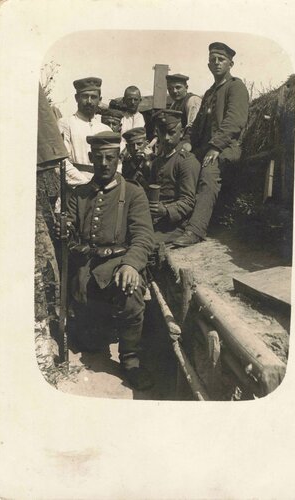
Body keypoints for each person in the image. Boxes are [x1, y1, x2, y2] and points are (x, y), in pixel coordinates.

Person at [66, 131, 155, 390]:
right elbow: (71, 232)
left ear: (119, 158)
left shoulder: (134, 193)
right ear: (91, 157)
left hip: (118, 265)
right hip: (86, 267)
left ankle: (130, 359)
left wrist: (130, 264)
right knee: (89, 344)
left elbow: (143, 236)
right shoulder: (80, 194)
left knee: (131, 289)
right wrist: (65, 229)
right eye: (99, 158)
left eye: (110, 157)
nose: (104, 163)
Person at [173, 42, 249, 247]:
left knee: (209, 172)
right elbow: (196, 125)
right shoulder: (208, 93)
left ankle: (195, 230)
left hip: (227, 147)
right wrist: (187, 143)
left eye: (221, 59)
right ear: (208, 64)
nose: (216, 63)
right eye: (213, 59)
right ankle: (176, 219)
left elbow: (235, 121)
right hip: (206, 148)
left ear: (230, 63)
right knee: (181, 163)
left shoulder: (236, 87)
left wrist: (216, 146)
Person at [149, 109, 201, 244]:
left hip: (175, 225)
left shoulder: (186, 161)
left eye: (171, 133)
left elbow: (188, 201)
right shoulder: (157, 162)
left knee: (144, 243)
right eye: (162, 132)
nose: (166, 137)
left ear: (182, 132)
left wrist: (166, 210)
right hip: (156, 220)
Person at [58, 77, 112, 186]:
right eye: (85, 96)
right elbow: (61, 162)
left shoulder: (106, 129)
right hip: (76, 187)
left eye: (93, 97)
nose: (89, 101)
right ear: (76, 98)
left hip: (103, 187)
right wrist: (85, 183)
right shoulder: (65, 124)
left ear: (99, 100)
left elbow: (115, 162)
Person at [166, 73, 202, 146]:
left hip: (193, 143)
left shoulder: (192, 100)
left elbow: (192, 127)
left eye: (178, 87)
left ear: (186, 87)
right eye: (170, 88)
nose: (174, 91)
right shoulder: (175, 103)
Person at [120, 86, 146, 152]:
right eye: (129, 99)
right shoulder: (119, 118)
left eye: (135, 99)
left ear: (140, 100)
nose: (133, 102)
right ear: (124, 100)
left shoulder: (146, 119)